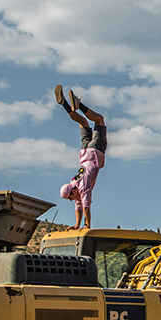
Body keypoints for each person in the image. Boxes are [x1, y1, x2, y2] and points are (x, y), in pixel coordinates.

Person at [55, 84, 106, 230]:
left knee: (99, 120)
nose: (73, 200)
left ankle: (79, 105)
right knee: (83, 122)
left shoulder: (82, 187)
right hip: (84, 153)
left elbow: (86, 206)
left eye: (70, 198)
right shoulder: (74, 183)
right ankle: (65, 104)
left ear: (73, 191)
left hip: (95, 151)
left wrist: (87, 225)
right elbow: (79, 206)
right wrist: (77, 225)